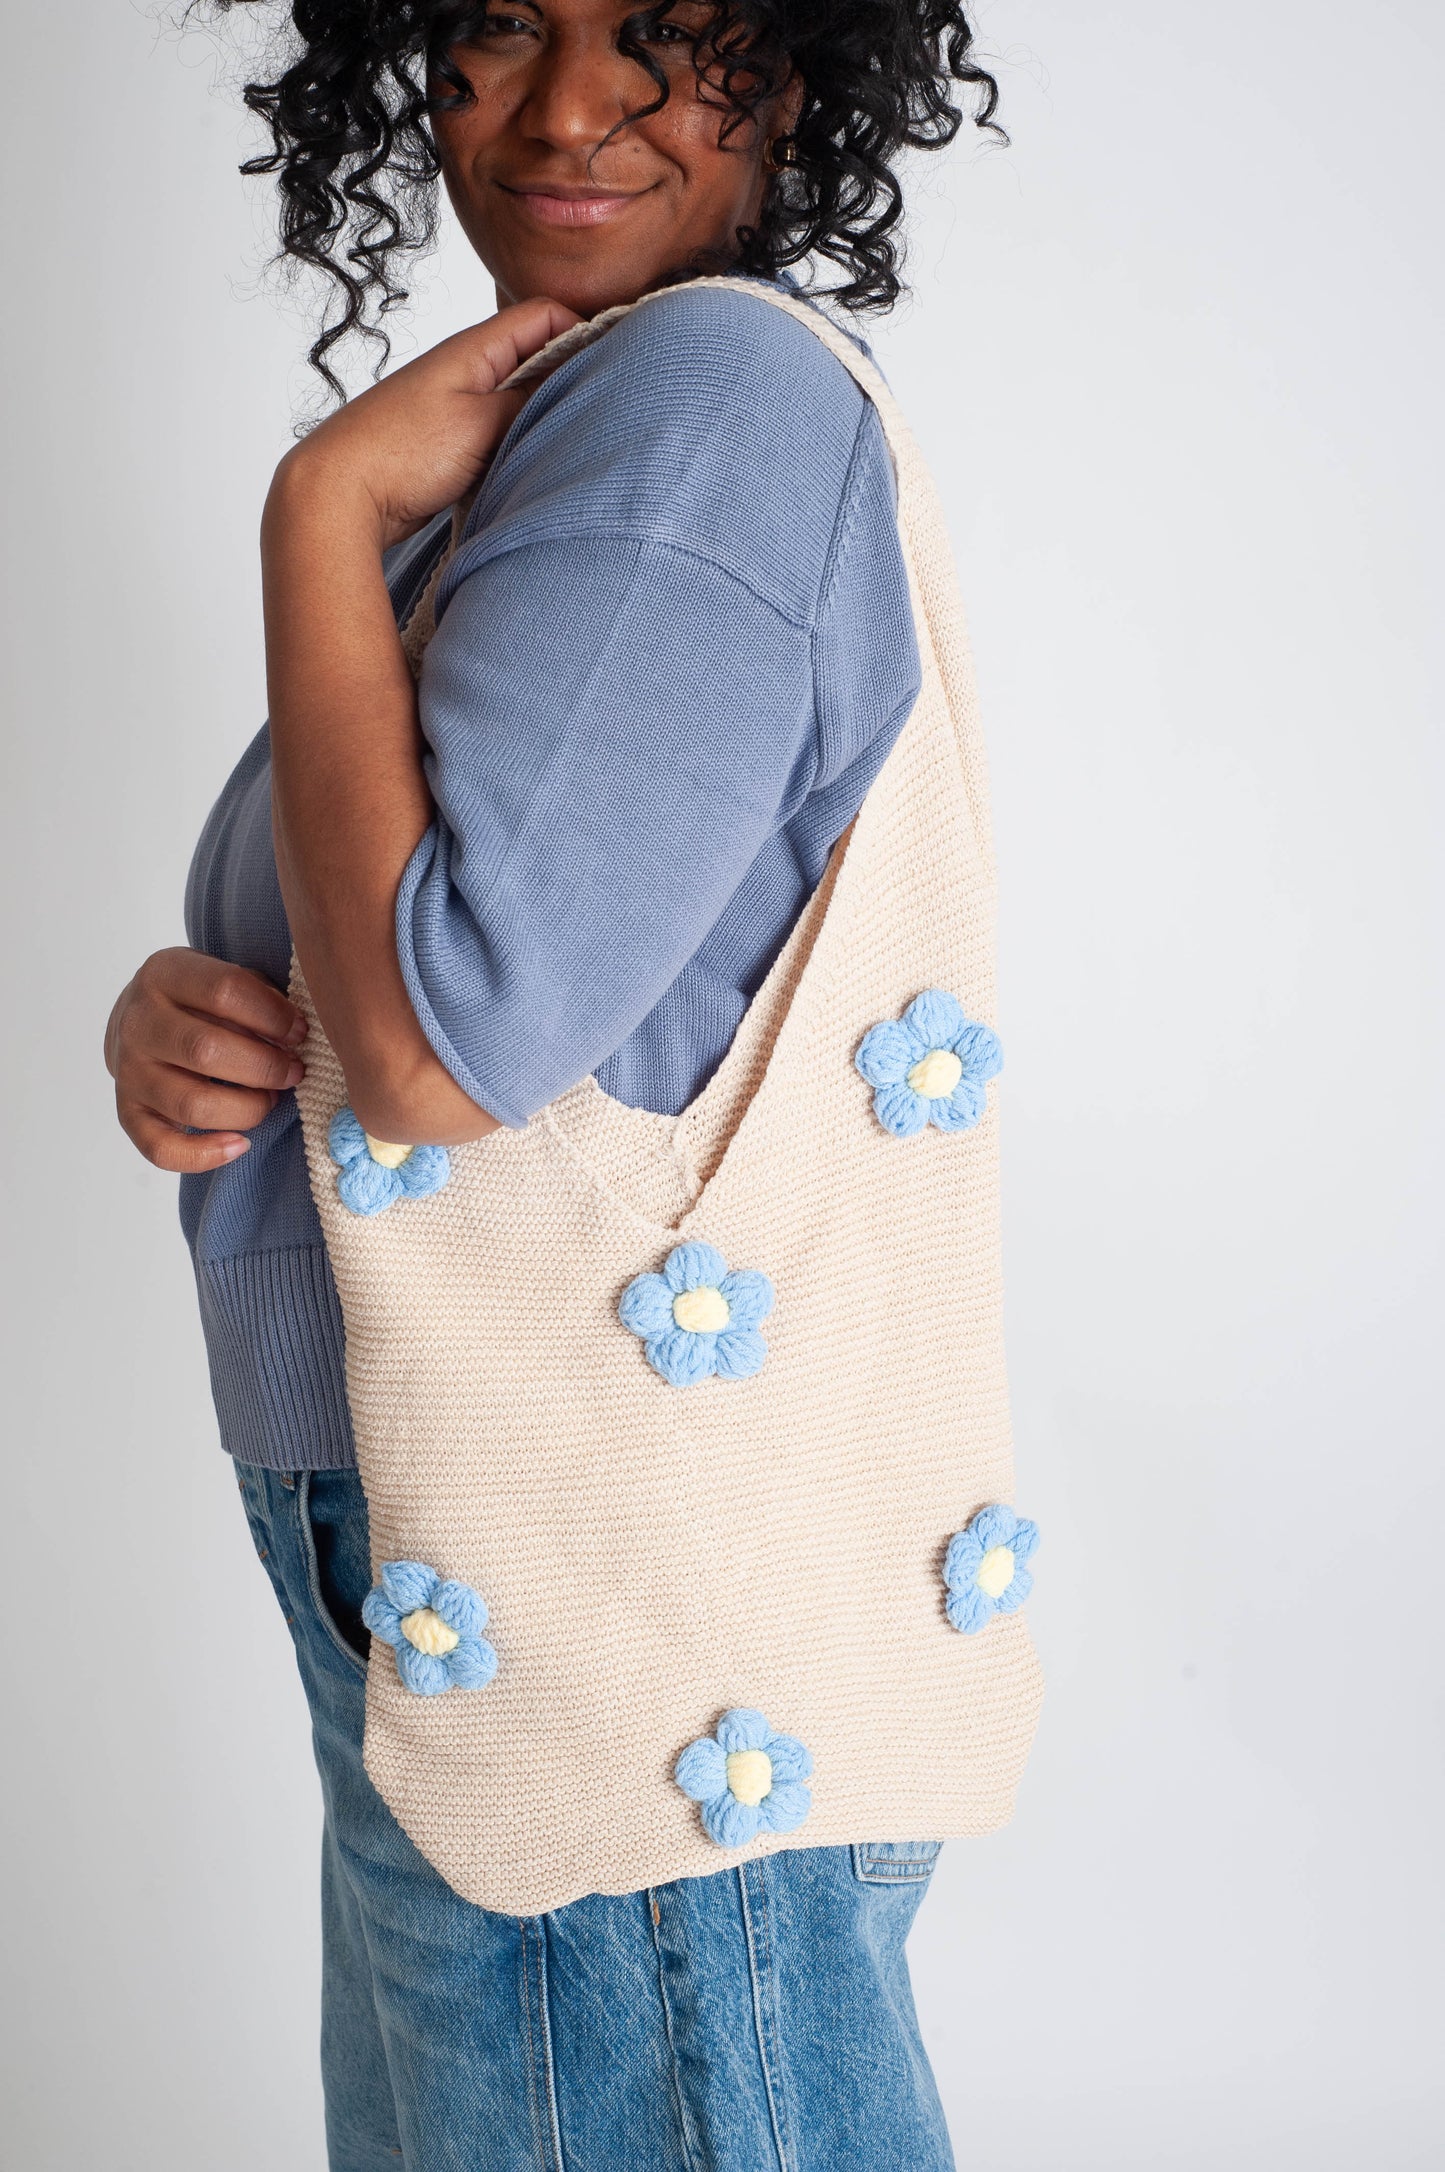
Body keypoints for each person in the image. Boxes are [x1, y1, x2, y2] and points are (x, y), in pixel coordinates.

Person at [105, 4, 1025, 2166]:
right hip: (507, 1555)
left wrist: (314, 514)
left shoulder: (697, 404)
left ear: (793, 80)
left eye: (668, 38)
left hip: (587, 1595)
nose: (565, 110)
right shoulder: (588, 426)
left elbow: (432, 1052)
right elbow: (413, 962)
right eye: (496, 30)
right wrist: (202, 1004)